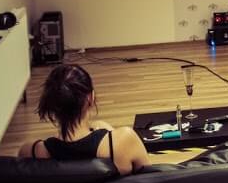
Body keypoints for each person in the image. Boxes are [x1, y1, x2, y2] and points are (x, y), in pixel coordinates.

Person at [18, 64, 151, 175]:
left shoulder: (31, 153)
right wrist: (109, 134)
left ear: (51, 104)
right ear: (90, 98)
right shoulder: (124, 141)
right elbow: (152, 182)